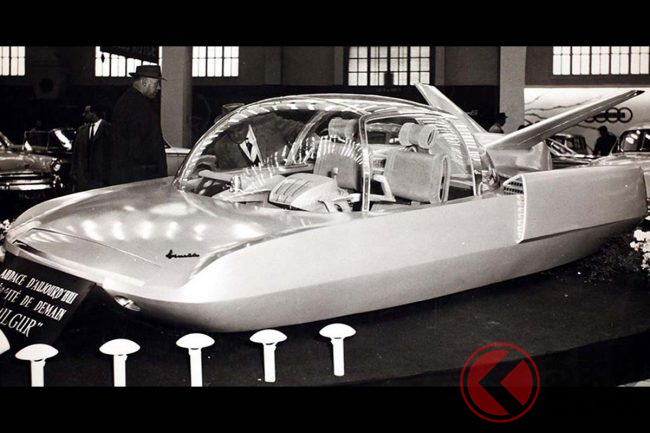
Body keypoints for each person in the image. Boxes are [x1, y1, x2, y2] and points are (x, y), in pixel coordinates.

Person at [110, 64, 167, 185]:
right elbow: (139, 149)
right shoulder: (139, 107)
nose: (159, 88)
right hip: (141, 179)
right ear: (144, 83)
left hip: (129, 178)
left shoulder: (126, 102)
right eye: (156, 84)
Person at [70, 103, 112, 191]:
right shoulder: (81, 130)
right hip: (83, 179)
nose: (83, 115)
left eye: (86, 112)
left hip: (101, 179)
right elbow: (76, 153)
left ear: (94, 113)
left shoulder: (108, 129)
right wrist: (74, 172)